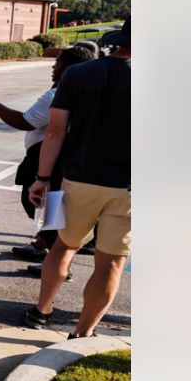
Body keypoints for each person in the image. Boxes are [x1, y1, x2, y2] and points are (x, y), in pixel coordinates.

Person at [25, 21, 131, 339]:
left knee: (63, 246)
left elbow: (55, 132)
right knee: (111, 262)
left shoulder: (78, 74)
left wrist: (41, 178)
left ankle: (41, 310)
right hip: (129, 187)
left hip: (76, 179)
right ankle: (82, 333)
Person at [0, 46, 95, 270]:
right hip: (71, 159)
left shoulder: (57, 95)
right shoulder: (88, 91)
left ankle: (58, 266)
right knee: (55, 206)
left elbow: (26, 121)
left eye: (56, 64)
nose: (52, 68)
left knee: (50, 206)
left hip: (51, 159)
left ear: (66, 68)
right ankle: (41, 245)